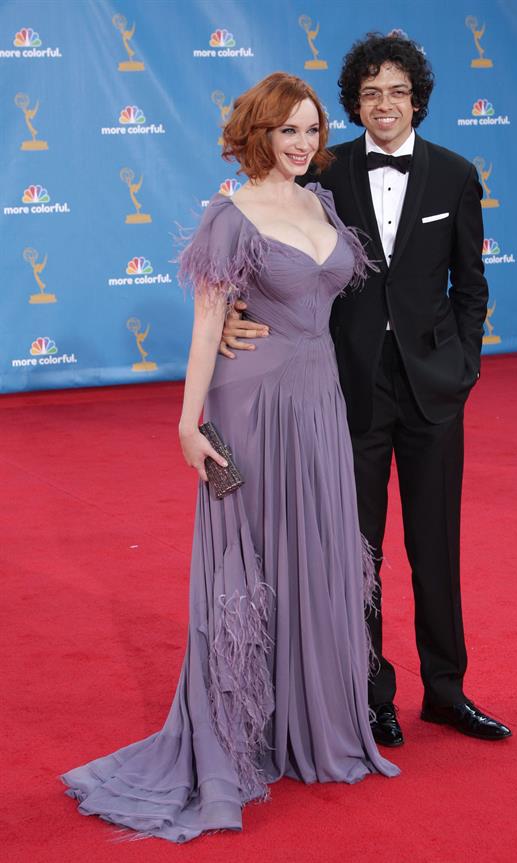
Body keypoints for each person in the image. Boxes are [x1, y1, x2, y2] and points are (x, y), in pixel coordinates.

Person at [60, 72, 398, 844]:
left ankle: (309, 725)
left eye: (313, 130)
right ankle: (236, 734)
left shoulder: (321, 202)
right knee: (250, 562)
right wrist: (188, 424)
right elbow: (209, 319)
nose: (306, 144)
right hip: (251, 402)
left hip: (319, 399)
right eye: (289, 131)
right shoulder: (229, 215)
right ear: (259, 133)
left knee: (313, 555)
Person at [221, 33, 512, 745]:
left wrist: (462, 370)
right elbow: (268, 238)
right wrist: (233, 311)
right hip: (345, 390)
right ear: (353, 103)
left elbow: (471, 288)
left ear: (417, 99)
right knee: (360, 552)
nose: (384, 104)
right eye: (371, 92)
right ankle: (370, 691)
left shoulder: (454, 174)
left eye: (398, 91)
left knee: (436, 545)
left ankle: (446, 689)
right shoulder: (324, 170)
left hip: (433, 391)